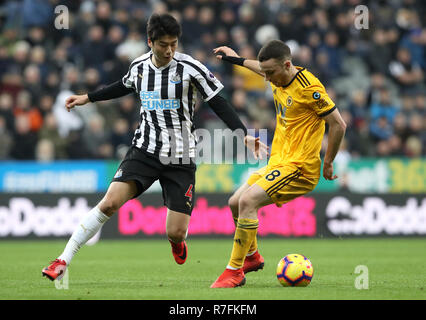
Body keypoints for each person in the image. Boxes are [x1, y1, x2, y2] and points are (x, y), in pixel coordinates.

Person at [42, 13, 268, 281]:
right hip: (144, 150)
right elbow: (121, 86)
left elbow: (218, 101)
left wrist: (242, 134)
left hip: (180, 156)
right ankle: (62, 260)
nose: (170, 49)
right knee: (109, 203)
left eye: (174, 43)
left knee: (175, 231)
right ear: (150, 42)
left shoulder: (190, 68)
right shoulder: (138, 66)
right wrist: (88, 98)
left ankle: (176, 242)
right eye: (163, 44)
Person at [210, 40, 346, 288]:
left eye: (271, 73)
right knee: (234, 204)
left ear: (287, 64)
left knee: (247, 201)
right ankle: (251, 257)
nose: (267, 78)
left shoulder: (309, 88)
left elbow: (338, 124)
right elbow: (260, 68)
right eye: (266, 72)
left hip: (300, 167)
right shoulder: (276, 73)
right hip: (279, 161)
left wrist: (328, 162)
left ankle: (234, 271)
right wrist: (236, 59)